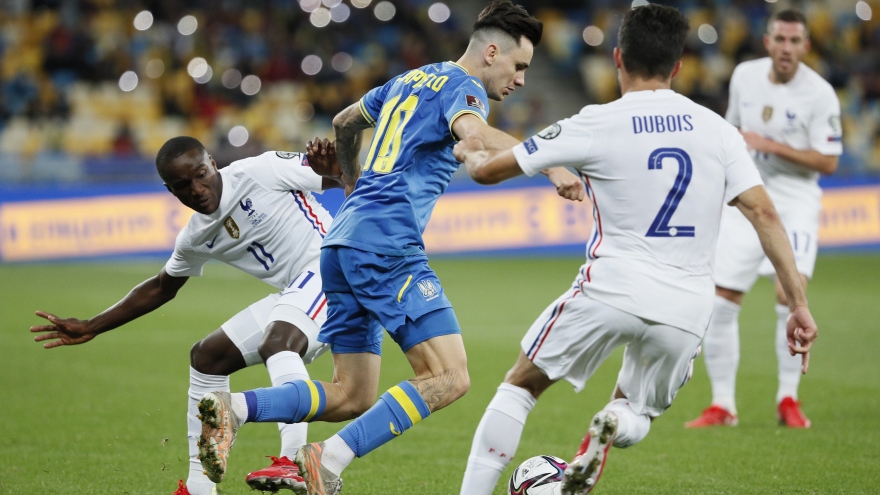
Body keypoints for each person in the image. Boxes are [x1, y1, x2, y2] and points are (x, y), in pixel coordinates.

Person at [193, 2, 584, 494]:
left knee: (352, 394)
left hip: (342, 242)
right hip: (386, 245)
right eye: (519, 66)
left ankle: (235, 408)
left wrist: (351, 183)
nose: (522, 80)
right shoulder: (463, 88)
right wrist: (550, 161)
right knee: (450, 376)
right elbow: (477, 134)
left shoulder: (407, 81)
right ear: (491, 52)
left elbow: (344, 121)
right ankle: (325, 460)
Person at [453, 5, 819, 495]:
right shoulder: (718, 131)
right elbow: (765, 215)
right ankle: (614, 423)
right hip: (686, 306)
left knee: (521, 385)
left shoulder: (596, 122)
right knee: (637, 409)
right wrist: (797, 303)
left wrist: (469, 152)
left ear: (618, 59)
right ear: (678, 66)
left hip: (612, 288)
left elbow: (487, 170)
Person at [30, 136, 342, 495]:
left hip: (335, 268)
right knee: (207, 357)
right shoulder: (196, 236)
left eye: (201, 174)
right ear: (170, 190)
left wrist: (338, 170)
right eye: (182, 185)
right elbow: (161, 287)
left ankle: (294, 461)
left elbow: (341, 175)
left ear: (213, 163)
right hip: (296, 293)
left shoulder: (262, 170)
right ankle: (200, 487)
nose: (196, 189)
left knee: (278, 341)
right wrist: (91, 326)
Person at [686, 9, 841, 430]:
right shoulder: (744, 76)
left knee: (789, 295)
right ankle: (722, 405)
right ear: (768, 41)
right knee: (721, 300)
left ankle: (787, 399)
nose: (787, 48)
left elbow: (828, 161)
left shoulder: (821, 93)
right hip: (748, 196)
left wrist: (770, 145)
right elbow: (733, 133)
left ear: (806, 46)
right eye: (780, 39)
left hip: (795, 203)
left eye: (795, 41)